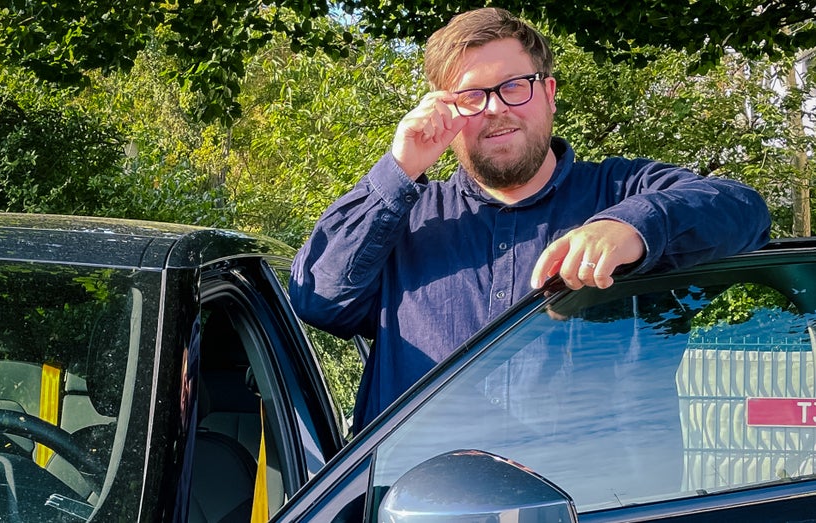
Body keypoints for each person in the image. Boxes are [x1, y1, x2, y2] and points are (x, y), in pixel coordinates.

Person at [288, 7, 771, 433]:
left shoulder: (621, 190)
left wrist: (633, 227)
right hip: (412, 492)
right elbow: (318, 300)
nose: (496, 108)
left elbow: (745, 212)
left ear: (549, 93)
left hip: (602, 496)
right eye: (471, 96)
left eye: (514, 86)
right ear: (443, 110)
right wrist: (400, 168)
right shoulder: (403, 218)